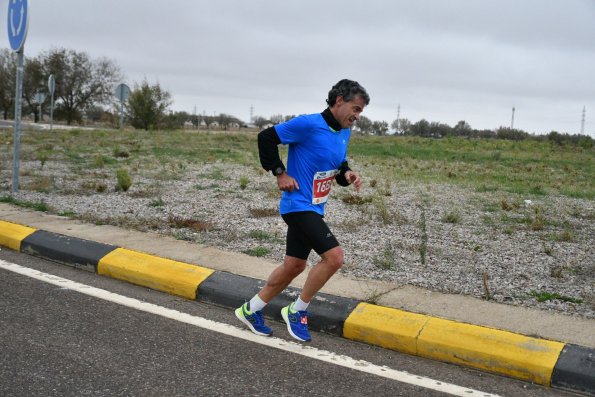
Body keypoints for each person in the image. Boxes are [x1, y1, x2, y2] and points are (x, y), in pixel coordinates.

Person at [235, 79, 370, 342]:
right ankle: (297, 311)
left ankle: (251, 310)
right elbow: (266, 138)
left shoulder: (343, 132)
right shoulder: (308, 124)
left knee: (294, 265)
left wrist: (348, 174)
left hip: (315, 208)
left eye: (361, 112)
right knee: (335, 257)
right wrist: (280, 173)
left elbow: (337, 163)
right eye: (355, 109)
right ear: (339, 101)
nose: (357, 116)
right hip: (297, 205)